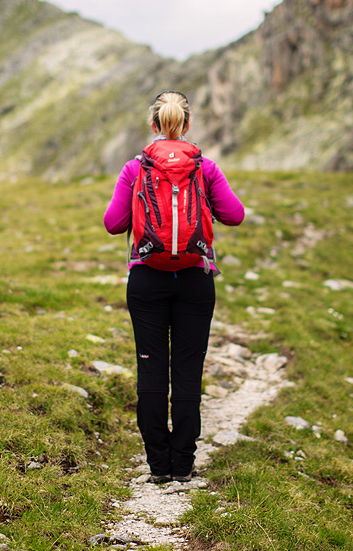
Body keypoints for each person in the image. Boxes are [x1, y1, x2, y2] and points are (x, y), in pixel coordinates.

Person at [103, 90, 245, 483]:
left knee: (150, 371)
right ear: (187, 124)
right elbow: (234, 215)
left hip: (147, 278)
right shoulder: (205, 167)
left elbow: (113, 224)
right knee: (187, 372)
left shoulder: (136, 168)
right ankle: (183, 463)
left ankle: (158, 466)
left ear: (154, 124)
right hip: (196, 281)